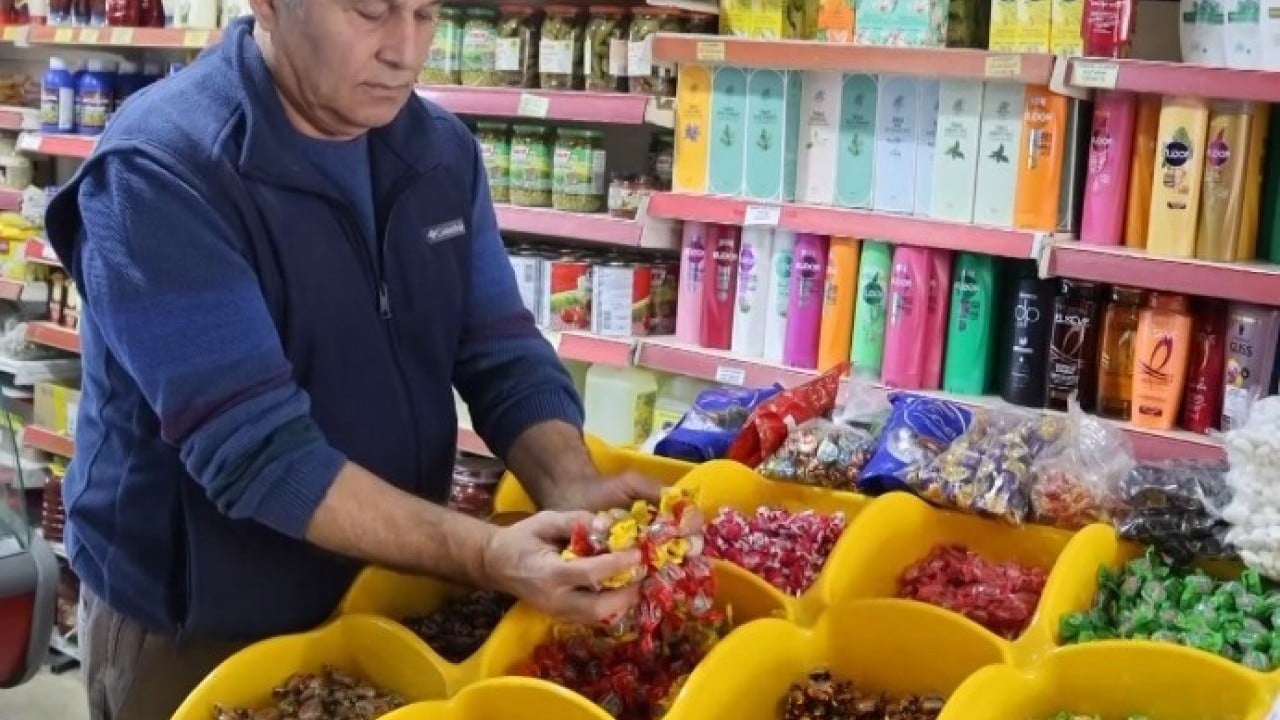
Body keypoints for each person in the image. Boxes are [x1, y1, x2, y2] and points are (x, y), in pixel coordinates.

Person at [43, 1, 660, 718]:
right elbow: (262, 455)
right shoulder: (162, 170)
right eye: (370, 11)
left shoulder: (439, 153)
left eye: (426, 14)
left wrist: (570, 481)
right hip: (202, 632)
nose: (405, 49)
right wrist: (487, 554)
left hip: (392, 595)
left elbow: (501, 350)